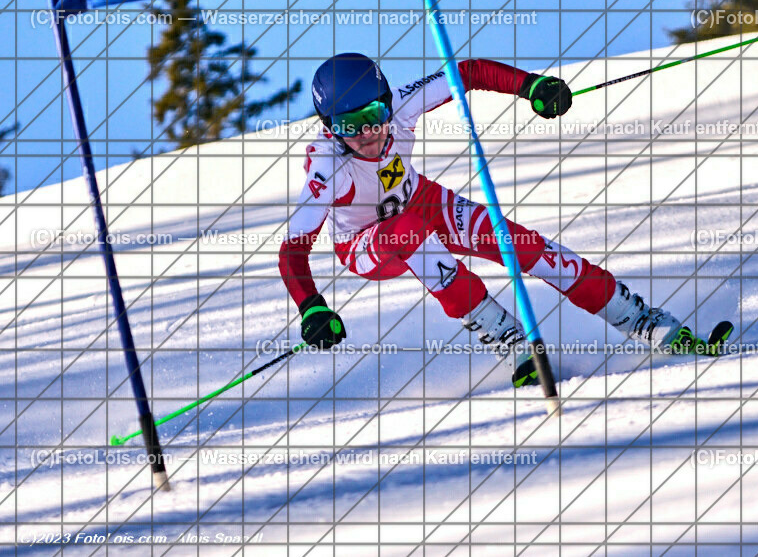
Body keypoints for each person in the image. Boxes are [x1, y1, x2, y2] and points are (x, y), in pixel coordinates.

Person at [278, 53, 731, 387]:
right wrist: (311, 306)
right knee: (410, 233)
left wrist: (532, 86)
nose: (368, 134)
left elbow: (468, 72)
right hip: (363, 244)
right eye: (348, 127)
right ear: (328, 126)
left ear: (385, 103)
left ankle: (651, 324)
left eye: (374, 117)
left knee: (526, 247)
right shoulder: (327, 169)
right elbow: (294, 250)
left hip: (421, 201)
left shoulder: (402, 104)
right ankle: (514, 345)